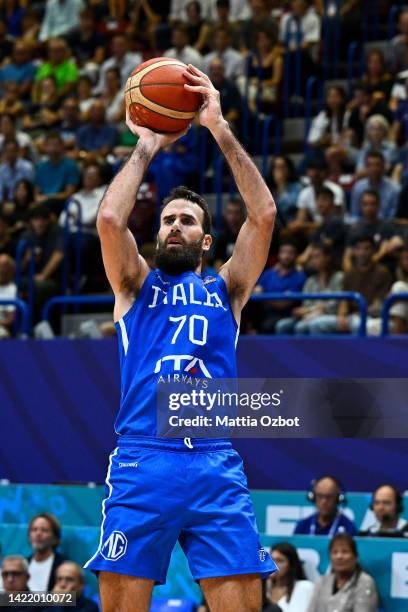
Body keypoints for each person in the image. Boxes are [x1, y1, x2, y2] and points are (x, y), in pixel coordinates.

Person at [84, 62, 277, 611]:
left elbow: (263, 215)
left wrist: (217, 126)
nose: (174, 226)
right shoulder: (133, 284)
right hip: (145, 460)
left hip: (215, 463)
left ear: (207, 239)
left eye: (187, 220)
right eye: (168, 219)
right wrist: (146, 143)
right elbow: (109, 222)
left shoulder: (228, 290)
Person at [276, 243, 343, 335]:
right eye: (311, 258)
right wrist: (302, 311)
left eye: (317, 257)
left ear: (327, 257)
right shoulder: (310, 280)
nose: (313, 261)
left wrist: (313, 310)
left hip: (329, 315)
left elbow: (335, 304)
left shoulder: (338, 277)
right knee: (282, 325)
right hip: (309, 315)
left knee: (302, 327)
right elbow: (306, 303)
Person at [306, 534, 379, 612]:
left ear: (355, 557)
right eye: (335, 552)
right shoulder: (323, 581)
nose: (339, 556)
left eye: (345, 552)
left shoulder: (365, 582)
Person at [253, 241, 306, 334]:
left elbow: (283, 303)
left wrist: (263, 295)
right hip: (264, 314)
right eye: (284, 252)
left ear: (296, 256)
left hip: (286, 315)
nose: (286, 256)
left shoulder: (300, 277)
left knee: (270, 325)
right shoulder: (268, 274)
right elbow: (256, 291)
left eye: (290, 253)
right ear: (279, 254)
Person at [34, 132, 81, 216]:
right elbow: (37, 193)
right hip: (43, 203)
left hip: (61, 204)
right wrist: (38, 198)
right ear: (44, 147)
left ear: (62, 146)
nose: (53, 148)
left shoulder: (70, 165)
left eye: (56, 145)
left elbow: (69, 194)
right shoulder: (40, 166)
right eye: (49, 145)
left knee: (49, 204)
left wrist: (48, 198)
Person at [350, 151, 400, 220]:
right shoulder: (358, 188)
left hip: (386, 227)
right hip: (362, 226)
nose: (374, 169)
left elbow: (392, 217)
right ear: (366, 168)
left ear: (384, 167)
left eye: (378, 165)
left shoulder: (394, 189)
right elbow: (354, 214)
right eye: (370, 165)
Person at [266, 543, 314, 612]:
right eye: (271, 560)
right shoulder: (265, 589)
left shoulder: (304, 587)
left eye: (279, 560)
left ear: (291, 565)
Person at [27, 512, 65, 592]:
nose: (38, 534)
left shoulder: (64, 566)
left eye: (44, 530)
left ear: (55, 538)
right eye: (34, 529)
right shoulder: (24, 564)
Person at [0, 253, 17, 339]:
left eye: (4, 266)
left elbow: (10, 319)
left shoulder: (13, 289)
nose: (1, 270)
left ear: (10, 270)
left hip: (2, 329)